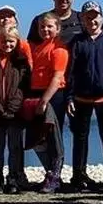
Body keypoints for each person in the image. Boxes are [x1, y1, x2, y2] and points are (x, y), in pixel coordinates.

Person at [65, 0, 103, 191]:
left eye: (95, 16)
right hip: (81, 97)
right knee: (80, 138)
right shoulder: (76, 42)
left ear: (101, 17)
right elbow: (70, 72)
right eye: (87, 17)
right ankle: (78, 176)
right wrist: (69, 96)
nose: (92, 20)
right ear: (82, 19)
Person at [0, 27, 28, 195]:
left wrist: (13, 107)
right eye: (4, 41)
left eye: (11, 41)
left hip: (15, 113)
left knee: (15, 145)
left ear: (17, 42)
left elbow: (23, 87)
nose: (7, 44)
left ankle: (14, 177)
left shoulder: (21, 61)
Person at [29, 13, 69, 192]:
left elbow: (57, 77)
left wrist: (44, 101)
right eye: (42, 27)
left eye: (49, 26)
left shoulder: (59, 49)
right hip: (37, 94)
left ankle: (55, 176)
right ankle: (50, 174)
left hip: (52, 96)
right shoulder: (38, 48)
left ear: (58, 28)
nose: (45, 30)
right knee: (38, 138)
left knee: (54, 137)